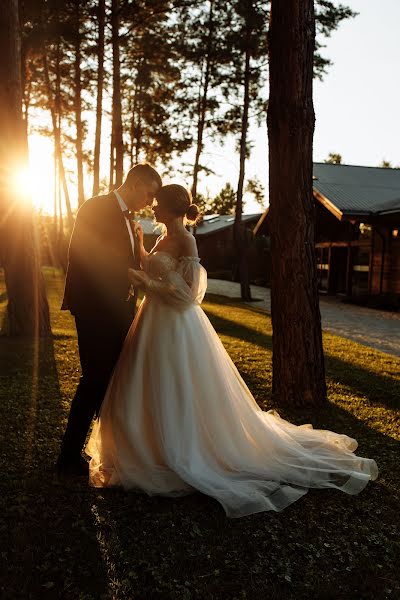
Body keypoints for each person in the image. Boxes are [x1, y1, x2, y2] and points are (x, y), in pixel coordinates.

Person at [86, 184, 378, 517]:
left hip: (176, 324)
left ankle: (182, 448)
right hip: (152, 319)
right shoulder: (162, 236)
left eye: (157, 205)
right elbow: (157, 266)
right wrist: (140, 248)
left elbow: (189, 294)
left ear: (170, 209)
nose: (152, 209)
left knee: (178, 383)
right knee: (145, 381)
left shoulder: (187, 240)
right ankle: (146, 447)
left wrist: (146, 284)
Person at [56, 163, 162, 476]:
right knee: (94, 378)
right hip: (94, 308)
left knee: (114, 380)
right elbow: (84, 255)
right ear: (135, 184)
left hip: (120, 311)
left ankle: (109, 451)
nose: (151, 202)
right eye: (149, 193)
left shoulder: (132, 221)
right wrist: (127, 274)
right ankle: (67, 455)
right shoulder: (95, 208)